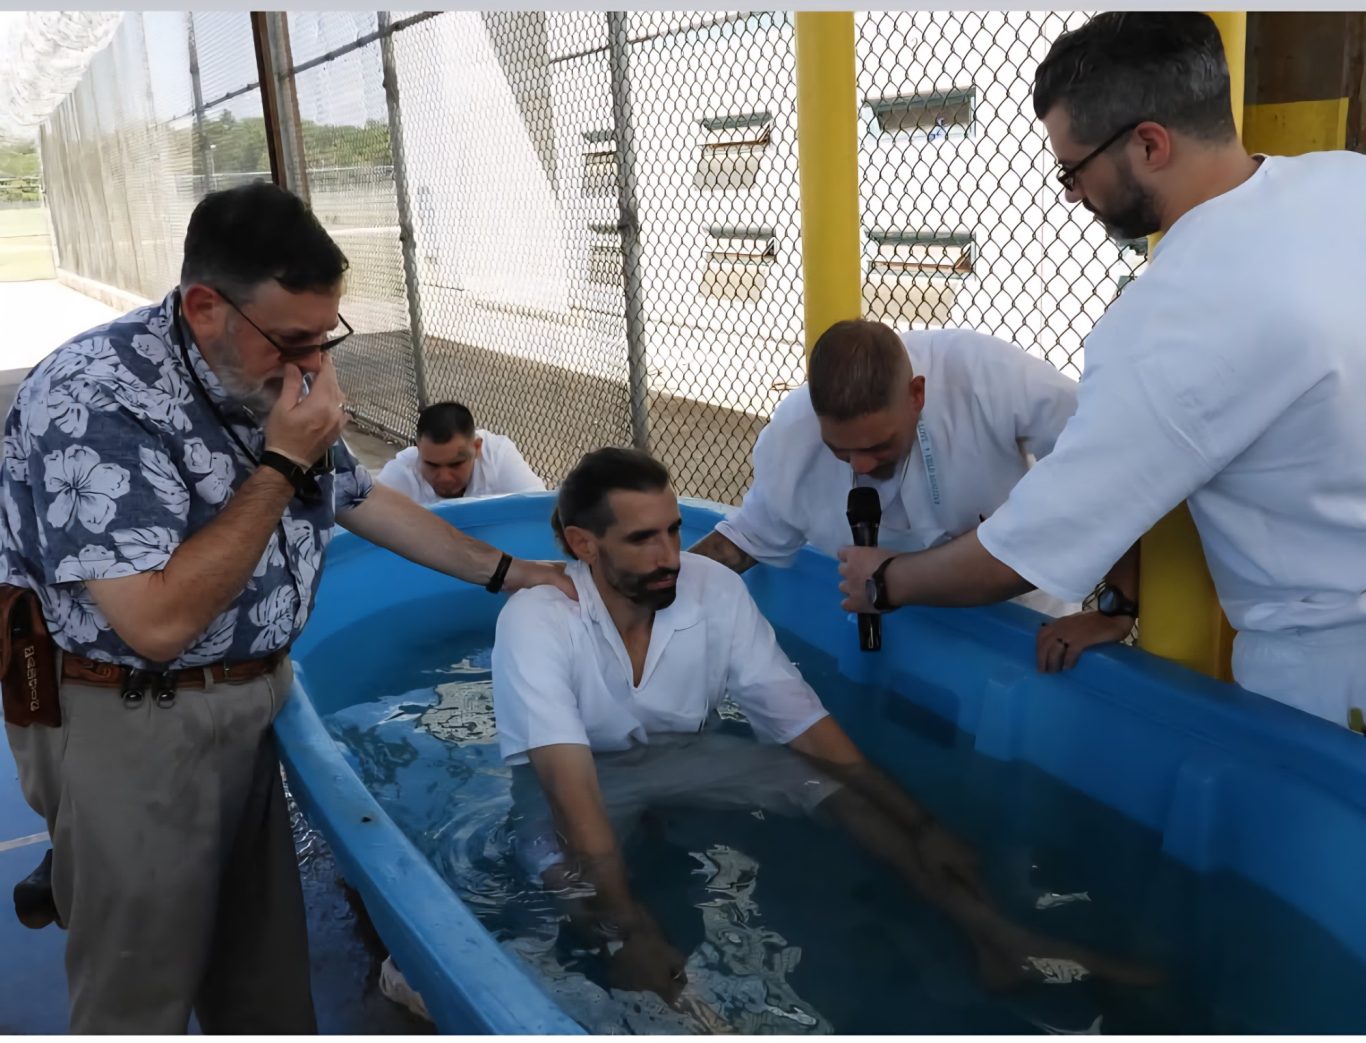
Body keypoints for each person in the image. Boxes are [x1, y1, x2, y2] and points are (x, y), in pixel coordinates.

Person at [0, 180, 572, 1034]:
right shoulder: (94, 402)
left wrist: (510, 571)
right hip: (133, 716)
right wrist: (279, 462)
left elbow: (357, 497)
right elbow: (156, 624)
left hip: (249, 700)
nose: (314, 363)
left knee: (260, 979)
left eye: (325, 336)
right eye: (294, 339)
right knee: (137, 992)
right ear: (205, 308)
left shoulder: (262, 373)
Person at [837, 12, 1366, 729]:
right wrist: (1120, 601)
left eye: (1073, 169)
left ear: (1149, 144)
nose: (1073, 193)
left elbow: (1028, 547)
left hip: (1332, 675)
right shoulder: (1346, 181)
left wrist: (888, 581)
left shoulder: (1172, 320)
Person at [490, 447, 1153, 1006]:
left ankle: (997, 937)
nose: (672, 554)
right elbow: (568, 786)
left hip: (682, 757)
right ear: (584, 544)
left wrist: (922, 823)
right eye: (643, 539)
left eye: (673, 529)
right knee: (575, 886)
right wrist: (627, 926)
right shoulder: (538, 617)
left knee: (823, 782)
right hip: (572, 784)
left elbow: (803, 723)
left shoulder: (712, 589)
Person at [690, 318, 1080, 617]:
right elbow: (744, 540)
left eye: (879, 446)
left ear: (917, 395)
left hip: (1022, 615)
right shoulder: (794, 437)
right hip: (898, 617)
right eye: (840, 450)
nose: (861, 465)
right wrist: (667, 589)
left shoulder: (985, 377)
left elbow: (1101, 457)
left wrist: (1111, 611)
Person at [375, 400, 545, 504]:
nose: (445, 477)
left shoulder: (499, 456)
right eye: (432, 465)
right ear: (418, 450)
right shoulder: (402, 472)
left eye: (456, 464)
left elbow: (540, 512)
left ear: (477, 448)